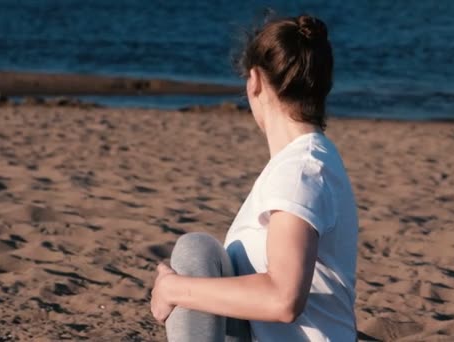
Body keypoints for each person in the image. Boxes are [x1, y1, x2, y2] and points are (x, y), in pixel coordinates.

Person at [150, 14, 359, 342]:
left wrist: (174, 288)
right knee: (200, 250)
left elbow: (283, 299)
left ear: (255, 82)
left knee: (193, 254)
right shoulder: (304, 163)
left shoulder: (301, 171)